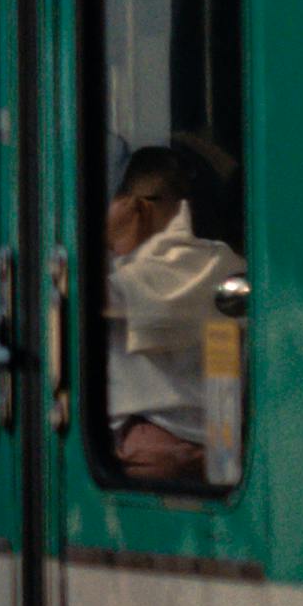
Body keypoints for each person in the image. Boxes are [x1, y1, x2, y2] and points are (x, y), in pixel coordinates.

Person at [103, 135, 239, 492]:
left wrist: (108, 235)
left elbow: (65, 295)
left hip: (150, 450)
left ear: (137, 208)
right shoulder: (229, 265)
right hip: (226, 447)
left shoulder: (123, 278)